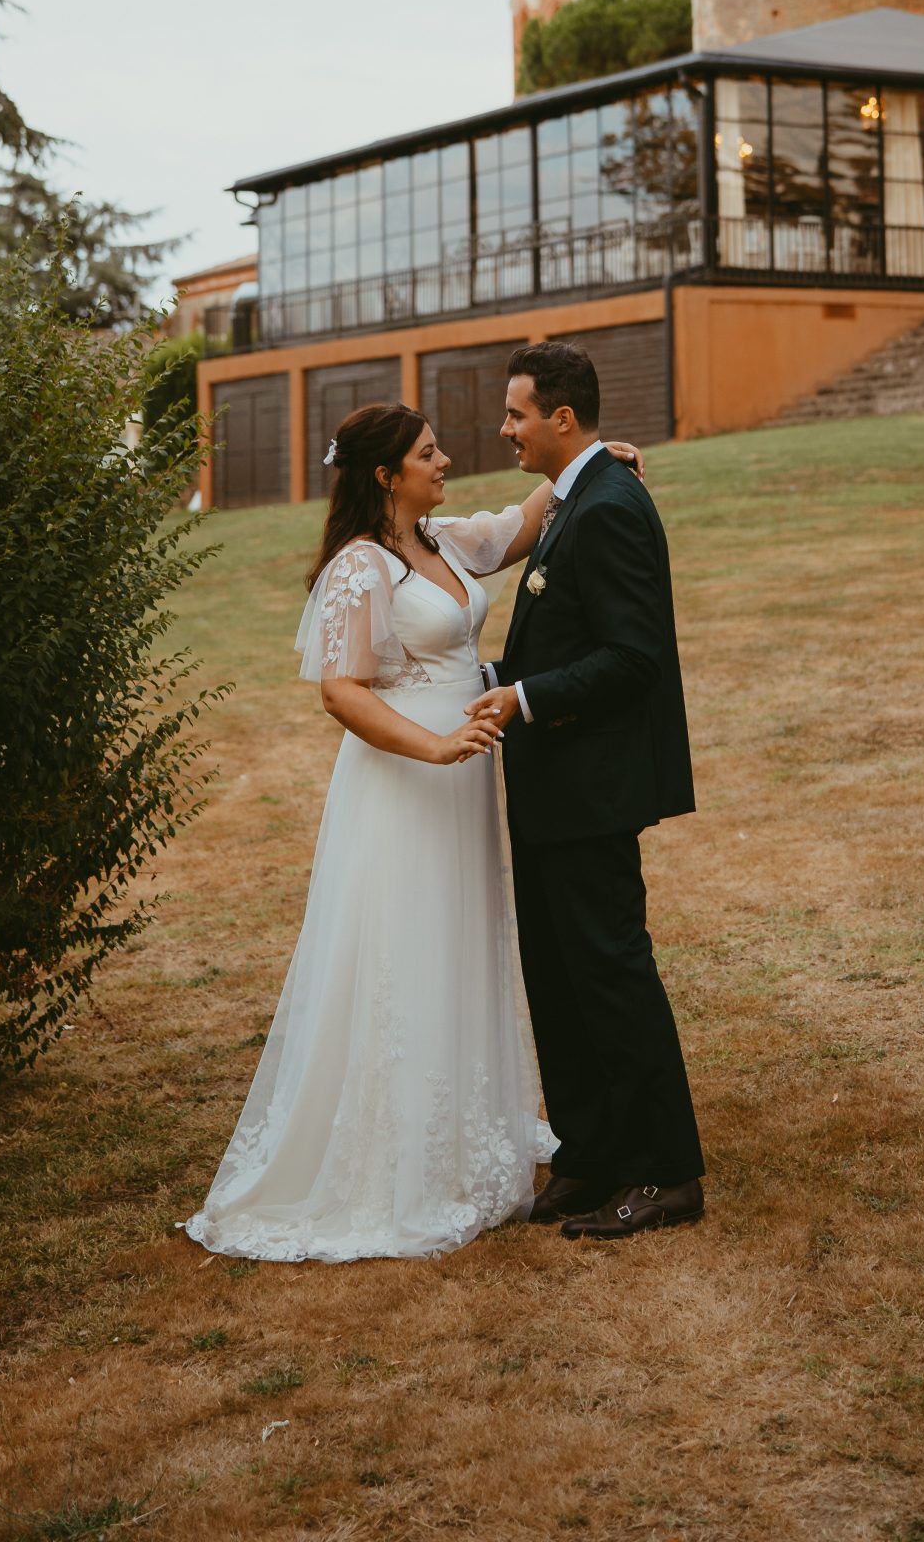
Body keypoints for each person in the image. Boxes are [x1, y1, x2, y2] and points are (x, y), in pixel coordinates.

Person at [182, 399, 643, 1264]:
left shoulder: (439, 541)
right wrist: (433, 747)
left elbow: (514, 526)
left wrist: (590, 460)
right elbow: (342, 691)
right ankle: (393, 1161)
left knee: (459, 940)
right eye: (427, 456)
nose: (445, 463)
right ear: (385, 475)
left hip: (464, 778)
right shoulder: (361, 568)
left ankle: (461, 1133)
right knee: (403, 947)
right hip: (404, 780)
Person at [468, 340, 704, 1239]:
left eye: (517, 414)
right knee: (558, 980)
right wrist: (495, 673)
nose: (505, 429)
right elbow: (563, 635)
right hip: (551, 786)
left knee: (609, 977)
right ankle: (589, 1156)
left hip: (590, 788)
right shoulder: (577, 498)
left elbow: (630, 658)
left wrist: (522, 698)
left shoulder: (607, 506)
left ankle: (666, 1172)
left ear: (561, 419)